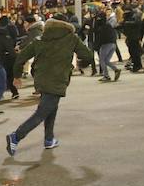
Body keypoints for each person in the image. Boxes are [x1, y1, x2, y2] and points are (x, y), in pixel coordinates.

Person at [6, 15, 94, 156]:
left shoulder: (40, 39)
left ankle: (49, 139)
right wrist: (80, 64)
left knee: (51, 108)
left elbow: (20, 58)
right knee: (42, 113)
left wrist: (17, 76)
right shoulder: (71, 38)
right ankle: (16, 136)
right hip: (58, 79)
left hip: (41, 79)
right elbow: (88, 56)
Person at [93, 12, 121, 82]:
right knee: (106, 60)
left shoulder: (102, 27)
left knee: (102, 60)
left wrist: (96, 46)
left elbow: (101, 37)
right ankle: (116, 70)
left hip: (106, 44)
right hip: (113, 44)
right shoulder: (108, 25)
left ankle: (106, 76)